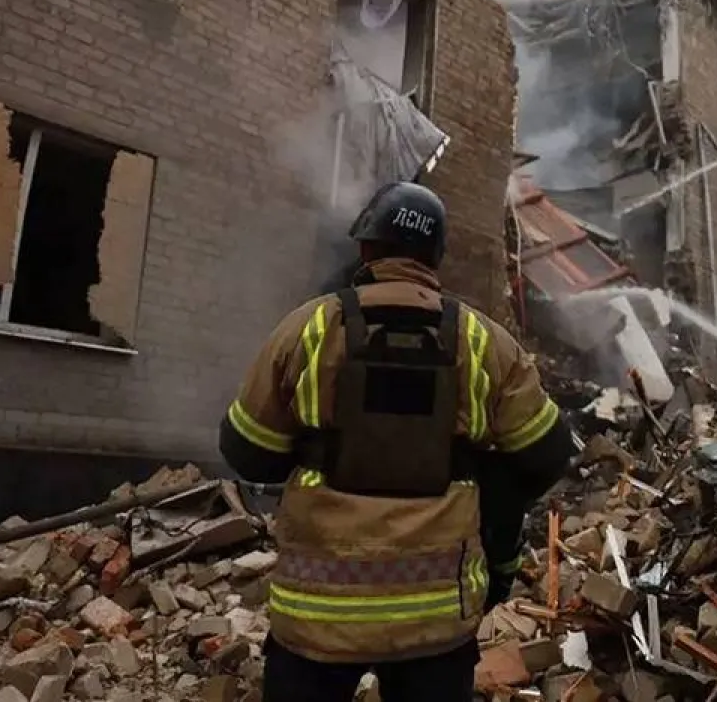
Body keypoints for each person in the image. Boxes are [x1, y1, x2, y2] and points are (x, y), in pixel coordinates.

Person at [220, 182, 574, 702]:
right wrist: (494, 523)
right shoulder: (484, 342)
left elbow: (246, 451)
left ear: (365, 248)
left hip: (315, 615)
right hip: (436, 621)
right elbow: (546, 454)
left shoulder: (309, 328)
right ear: (435, 256)